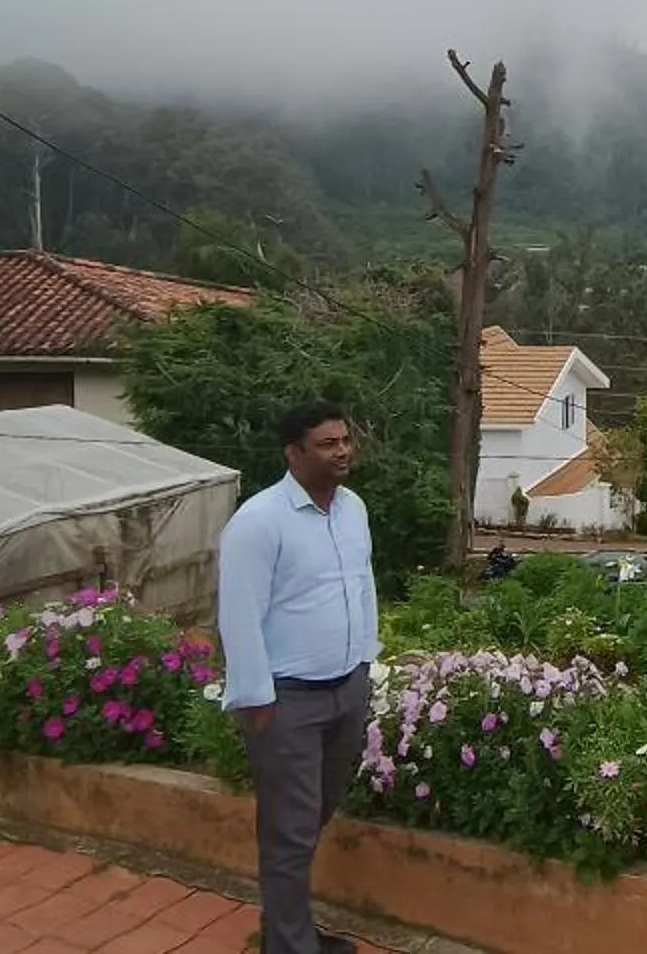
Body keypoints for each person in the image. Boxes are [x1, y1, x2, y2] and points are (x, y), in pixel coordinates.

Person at [217, 401, 379, 954]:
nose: (343, 451)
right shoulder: (259, 522)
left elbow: (363, 586)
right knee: (288, 832)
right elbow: (237, 615)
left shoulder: (353, 508)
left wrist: (367, 661)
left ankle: (289, 931)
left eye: (345, 440)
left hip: (347, 691)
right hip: (287, 701)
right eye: (327, 444)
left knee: (313, 815)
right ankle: (289, 945)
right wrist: (256, 699)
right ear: (294, 454)